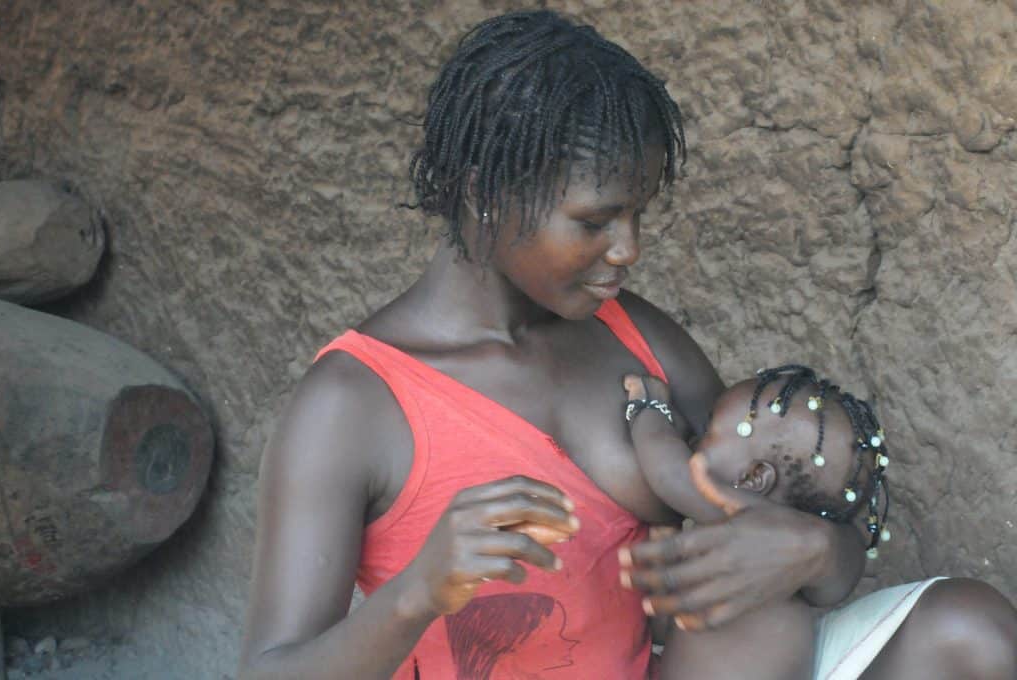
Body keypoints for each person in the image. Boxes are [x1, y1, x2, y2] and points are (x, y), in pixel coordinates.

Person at [238, 10, 1017, 680]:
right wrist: (418, 593)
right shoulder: (353, 403)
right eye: (595, 220)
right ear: (483, 192)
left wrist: (814, 550)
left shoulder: (636, 339)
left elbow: (789, 544)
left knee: (969, 632)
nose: (628, 248)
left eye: (639, 215)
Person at [620, 366, 891, 679]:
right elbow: (676, 627)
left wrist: (648, 408)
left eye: (708, 431)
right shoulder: (770, 566)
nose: (692, 438)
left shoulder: (741, 516)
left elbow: (668, 474)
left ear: (753, 478)